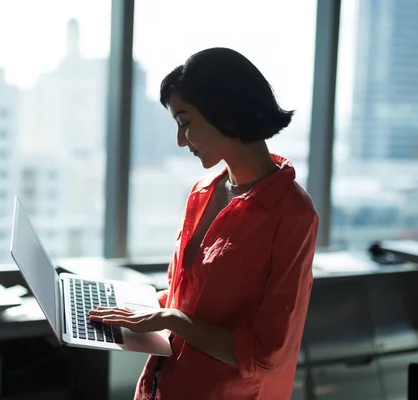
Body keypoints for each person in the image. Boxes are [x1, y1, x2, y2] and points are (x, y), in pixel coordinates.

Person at [90, 47, 319, 400]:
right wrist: (139, 309)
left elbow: (268, 353)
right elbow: (185, 298)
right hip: (161, 387)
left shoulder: (292, 214)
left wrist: (171, 319)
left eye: (185, 123)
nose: (181, 141)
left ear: (223, 111)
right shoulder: (202, 192)